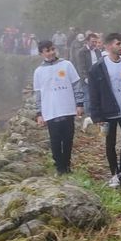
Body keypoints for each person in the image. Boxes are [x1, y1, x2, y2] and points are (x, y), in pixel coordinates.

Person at [88, 32, 121, 188]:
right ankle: (114, 174)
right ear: (109, 46)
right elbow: (93, 93)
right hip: (108, 111)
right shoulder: (97, 68)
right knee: (110, 142)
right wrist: (97, 115)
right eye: (118, 43)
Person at [32, 40, 84, 175]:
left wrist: (79, 104)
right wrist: (39, 113)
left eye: (52, 49)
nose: (51, 53)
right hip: (51, 111)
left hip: (67, 108)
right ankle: (59, 167)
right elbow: (38, 94)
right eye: (47, 51)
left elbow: (76, 85)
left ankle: (67, 165)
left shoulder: (67, 65)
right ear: (41, 53)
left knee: (68, 139)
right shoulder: (38, 72)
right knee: (55, 140)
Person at [77, 33, 102, 128]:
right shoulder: (82, 52)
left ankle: (97, 116)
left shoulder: (98, 51)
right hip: (87, 78)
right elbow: (81, 66)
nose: (94, 44)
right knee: (88, 98)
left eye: (96, 42)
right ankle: (88, 117)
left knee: (98, 97)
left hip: (97, 77)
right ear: (87, 41)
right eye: (92, 42)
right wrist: (85, 78)